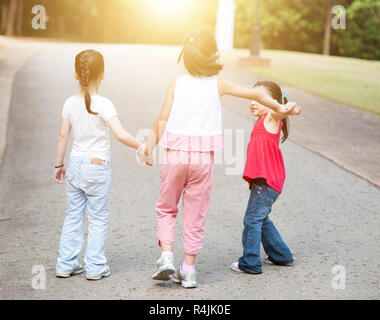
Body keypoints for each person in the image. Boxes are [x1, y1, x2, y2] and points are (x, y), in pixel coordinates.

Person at [140, 31, 300, 288]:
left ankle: (166, 256)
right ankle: (189, 270)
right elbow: (255, 94)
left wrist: (148, 146)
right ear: (213, 56)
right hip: (203, 160)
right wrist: (279, 106)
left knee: (167, 207)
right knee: (196, 213)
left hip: (176, 154)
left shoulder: (176, 84)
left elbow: (162, 119)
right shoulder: (219, 84)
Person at [54, 49, 147, 280]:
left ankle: (66, 264)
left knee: (73, 215)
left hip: (75, 166)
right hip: (97, 167)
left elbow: (63, 136)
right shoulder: (104, 103)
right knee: (97, 218)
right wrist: (141, 146)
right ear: (103, 74)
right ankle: (94, 266)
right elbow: (121, 134)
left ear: (76, 74)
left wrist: (58, 165)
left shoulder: (69, 103)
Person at [231, 81, 298, 275]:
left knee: (252, 220)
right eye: (252, 98)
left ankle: (250, 262)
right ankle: (281, 255)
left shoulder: (271, 116)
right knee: (261, 218)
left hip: (266, 181)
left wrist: (288, 107)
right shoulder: (262, 119)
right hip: (265, 181)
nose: (253, 102)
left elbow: (280, 112)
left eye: (259, 98)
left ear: (273, 102)